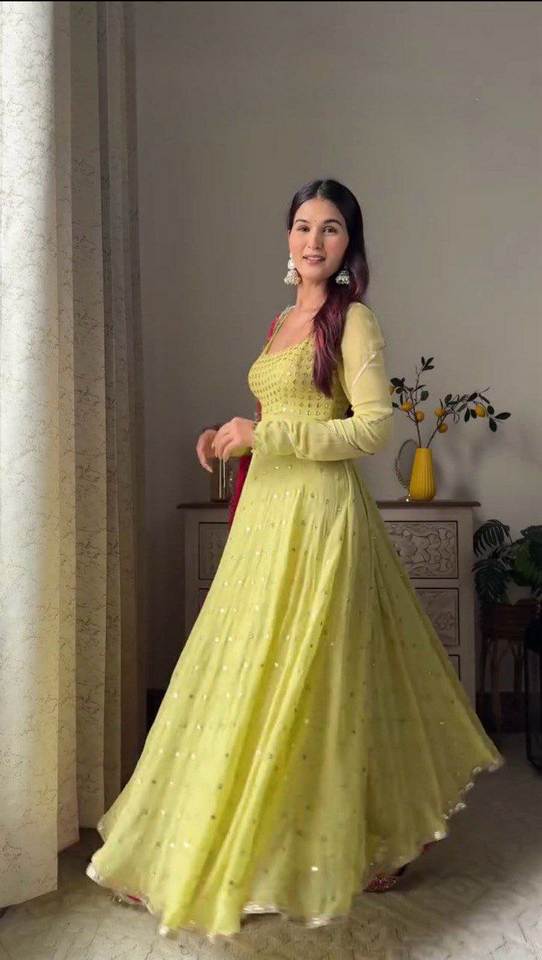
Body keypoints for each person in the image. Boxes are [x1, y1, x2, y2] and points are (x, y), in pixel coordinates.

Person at [86, 178, 504, 943]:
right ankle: (232, 838)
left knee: (311, 681)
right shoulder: (282, 322)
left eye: (331, 228)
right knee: (242, 671)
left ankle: (339, 847)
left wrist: (268, 435)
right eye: (304, 226)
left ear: (350, 244)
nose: (314, 240)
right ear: (287, 238)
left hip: (320, 517)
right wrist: (227, 435)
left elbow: (371, 429)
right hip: (265, 517)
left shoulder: (355, 320)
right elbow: (276, 413)